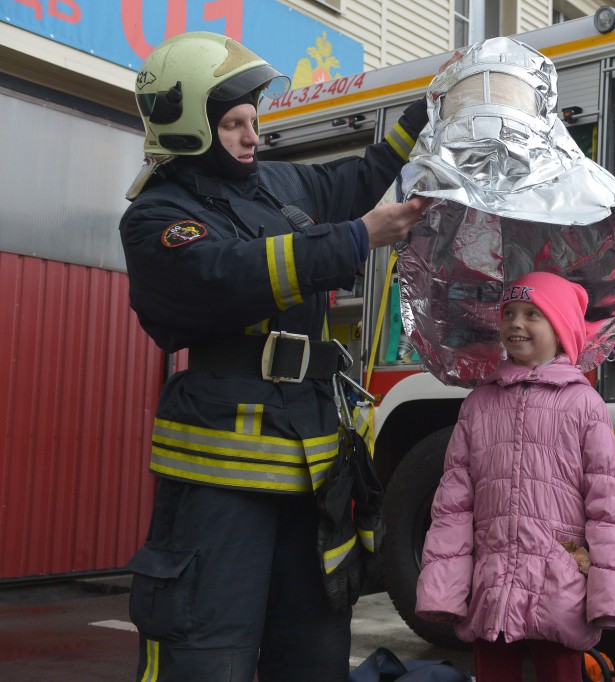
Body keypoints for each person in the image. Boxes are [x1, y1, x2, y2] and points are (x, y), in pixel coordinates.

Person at [119, 31, 453, 682]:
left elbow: (352, 179)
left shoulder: (272, 184)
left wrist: (423, 111)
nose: (253, 137)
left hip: (312, 473)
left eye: (254, 120)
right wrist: (360, 238)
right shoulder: (160, 215)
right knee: (206, 653)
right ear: (189, 127)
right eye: (235, 124)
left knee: (313, 654)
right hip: (222, 485)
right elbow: (228, 274)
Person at [415, 271, 615, 682]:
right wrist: (443, 589)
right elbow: (453, 507)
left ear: (562, 330)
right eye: (510, 313)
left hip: (560, 583)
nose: (516, 324)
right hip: (493, 583)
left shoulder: (583, 405)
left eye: (533, 314)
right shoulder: (479, 404)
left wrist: (610, 593)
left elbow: (608, 506)